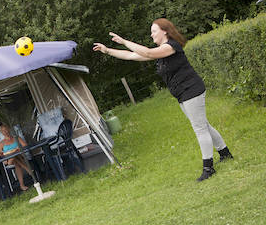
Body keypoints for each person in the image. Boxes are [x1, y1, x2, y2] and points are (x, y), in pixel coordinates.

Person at [92, 18, 234, 181]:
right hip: (182, 93)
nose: (151, 34)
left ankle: (208, 168)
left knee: (200, 128)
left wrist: (124, 41)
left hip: (191, 90)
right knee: (203, 125)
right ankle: (225, 153)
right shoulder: (161, 51)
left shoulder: (171, 46)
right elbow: (132, 56)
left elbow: (147, 52)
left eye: (154, 31)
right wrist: (107, 50)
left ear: (165, 31)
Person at [0, 123, 34, 191]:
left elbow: (25, 145)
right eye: (3, 131)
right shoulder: (1, 143)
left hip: (18, 157)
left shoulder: (16, 138)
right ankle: (27, 168)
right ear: (1, 132)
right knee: (13, 156)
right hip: (8, 161)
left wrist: (18, 149)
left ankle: (22, 185)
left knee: (16, 162)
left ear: (9, 129)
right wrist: (3, 156)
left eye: (6, 130)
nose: (5, 132)